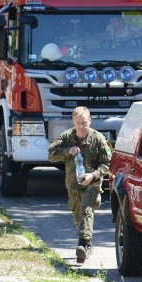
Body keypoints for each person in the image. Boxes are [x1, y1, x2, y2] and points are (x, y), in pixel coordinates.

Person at [47, 106, 112, 263]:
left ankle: (82, 244)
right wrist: (67, 151)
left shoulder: (98, 139)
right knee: (77, 214)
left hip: (93, 183)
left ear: (90, 121)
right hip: (73, 184)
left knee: (86, 209)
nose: (82, 126)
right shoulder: (67, 137)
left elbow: (107, 164)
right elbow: (51, 155)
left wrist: (93, 175)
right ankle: (87, 244)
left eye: (84, 122)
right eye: (78, 123)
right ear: (73, 123)